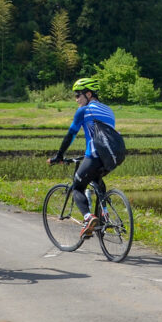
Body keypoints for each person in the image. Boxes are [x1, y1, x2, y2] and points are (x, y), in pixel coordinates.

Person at [48, 76, 116, 237]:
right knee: (98, 182)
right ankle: (104, 215)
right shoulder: (109, 110)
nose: (76, 99)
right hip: (111, 158)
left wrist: (59, 156)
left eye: (78, 95)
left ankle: (88, 217)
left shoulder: (84, 111)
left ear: (89, 95)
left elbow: (70, 135)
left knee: (78, 187)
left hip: (94, 155)